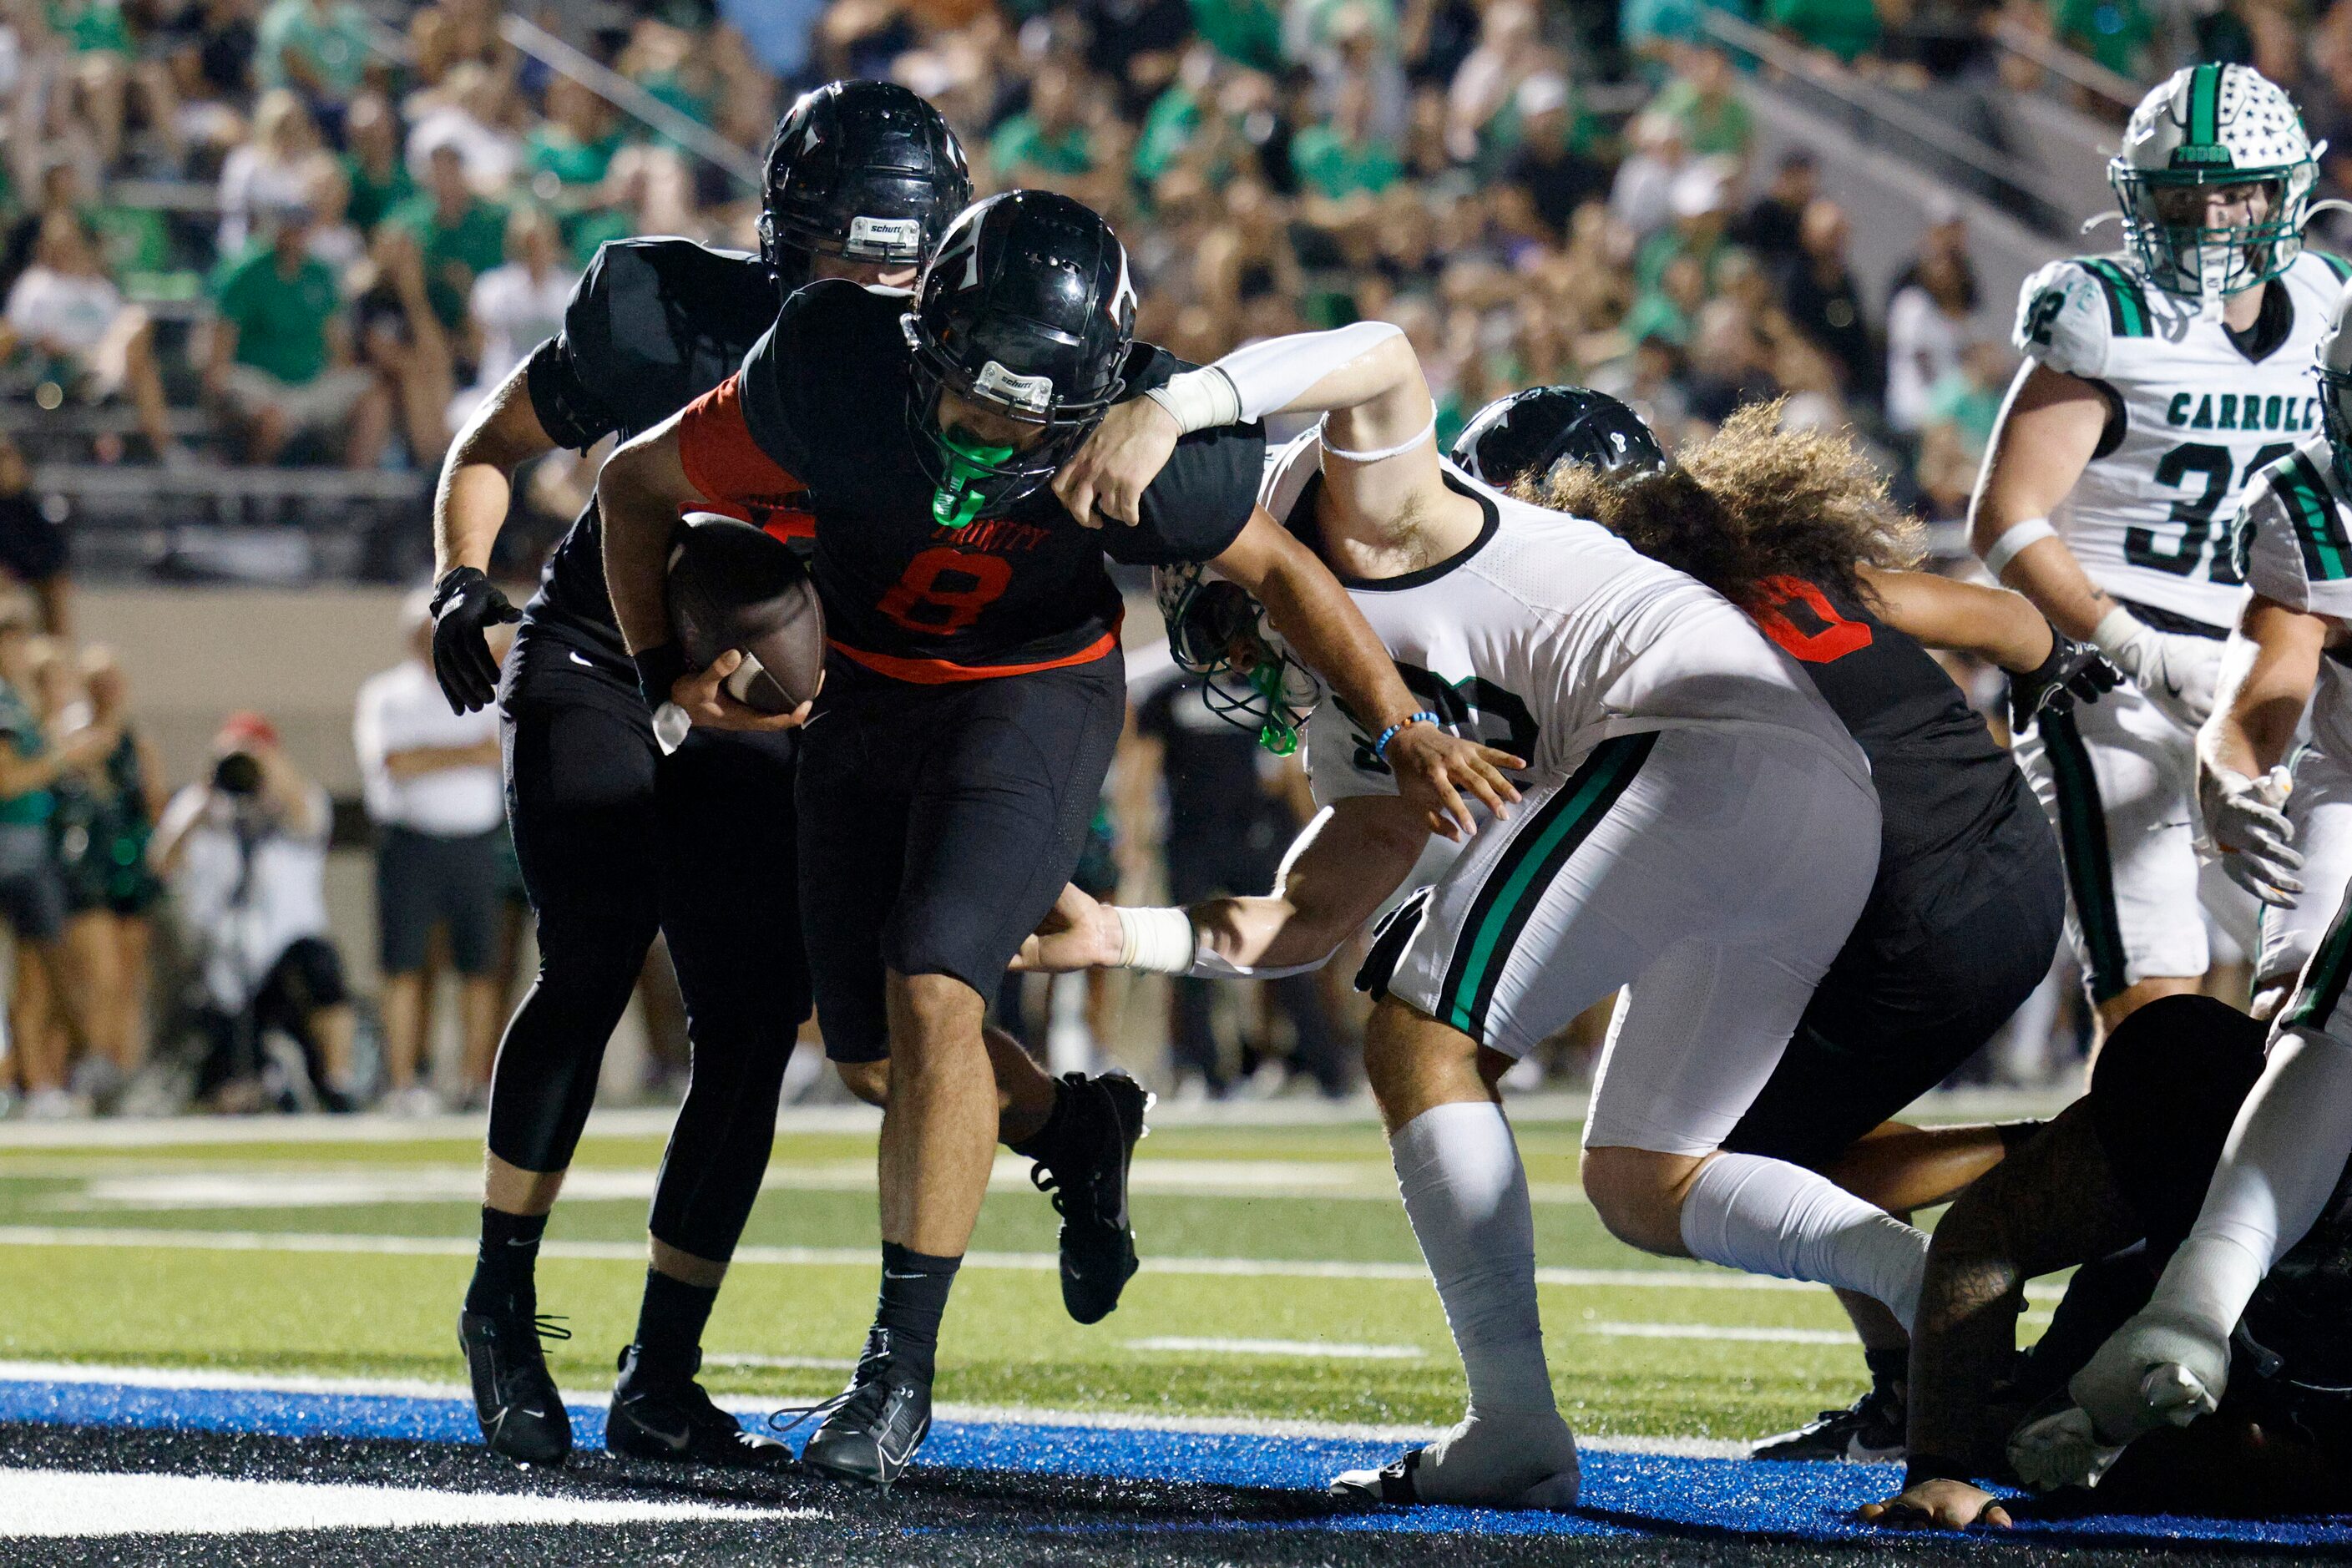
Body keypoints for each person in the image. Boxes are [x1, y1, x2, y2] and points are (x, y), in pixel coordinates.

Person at [597, 194, 1520, 1487]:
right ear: (920, 339)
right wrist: (658, 667)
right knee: (872, 1057)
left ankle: (896, 1373)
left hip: (1027, 698)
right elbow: (630, 488)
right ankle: (1077, 1127)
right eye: (974, 397)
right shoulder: (825, 363)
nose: (998, 432)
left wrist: (1399, 725)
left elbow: (1283, 573)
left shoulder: (1152, 447)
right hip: (863, 695)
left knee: (935, 981)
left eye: (1031, 410)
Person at [1027, 322, 1912, 1511]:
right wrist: (1127, 935)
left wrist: (1183, 404)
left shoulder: (1347, 513)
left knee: (1419, 1033)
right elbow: (1315, 906)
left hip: (1700, 740)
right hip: (1802, 802)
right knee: (1645, 1180)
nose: (1198, 600)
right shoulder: (1341, 692)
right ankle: (1933, 1283)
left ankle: (1512, 1426)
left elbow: (1385, 352)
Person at [430, 83, 1071, 1474]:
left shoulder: (967, 356)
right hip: (608, 650)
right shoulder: (664, 311)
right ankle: (502, 1310)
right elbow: (492, 448)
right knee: (593, 952)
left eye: (903, 259)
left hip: (767, 700)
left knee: (750, 1018)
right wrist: (459, 581)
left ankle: (661, 1373)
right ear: (785, 237)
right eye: (851, 251)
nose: (878, 286)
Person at [1438, 387, 2106, 1465]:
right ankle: (1906, 1379)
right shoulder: (1782, 571)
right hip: (2009, 871)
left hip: (1901, 903)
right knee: (1785, 1143)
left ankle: (2076, 1167)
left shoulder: (1613, 626)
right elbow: (2010, 623)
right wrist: (2042, 712)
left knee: (1695, 1158)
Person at [2000, 280, 2352, 1492]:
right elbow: (2268, 691)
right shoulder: (2313, 497)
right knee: (2294, 1015)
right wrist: (2226, 766)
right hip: (2327, 773)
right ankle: (2196, 1318)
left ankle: (2199, 1320)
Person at [1973, 63, 2350, 1039]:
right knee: (2155, 998)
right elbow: (2007, 518)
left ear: (2285, 193)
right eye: (2185, 195)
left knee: (2301, 970)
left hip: (2274, 654)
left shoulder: (2330, 301)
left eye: (2236, 192)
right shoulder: (2106, 307)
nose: (2214, 218)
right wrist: (2139, 647)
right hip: (2108, 668)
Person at [1859, 997, 2352, 1528]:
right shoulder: (2208, 1091)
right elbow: (1990, 1236)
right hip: (2140, 1331)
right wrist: (1941, 1465)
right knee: (2039, 1446)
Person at [152, 712, 355, 1113]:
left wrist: (267, 772)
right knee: (223, 1085)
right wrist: (207, 794)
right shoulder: (202, 804)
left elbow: (309, 820)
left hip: (285, 958)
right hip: (222, 965)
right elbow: (161, 861)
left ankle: (337, 1079)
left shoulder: (298, 798)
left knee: (321, 967)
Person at [354, 588, 506, 1113]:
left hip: (473, 843)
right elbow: (393, 764)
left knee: (479, 967)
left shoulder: (487, 682)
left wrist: (432, 756)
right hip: (410, 843)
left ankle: (474, 1082)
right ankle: (402, 1083)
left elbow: (498, 753)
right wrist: (467, 754)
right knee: (403, 965)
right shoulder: (386, 694)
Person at [0, 614, 109, 1118]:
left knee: (39, 975)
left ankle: (40, 1082)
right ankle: (30, 1082)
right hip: (10, 845)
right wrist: (62, 757)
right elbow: (8, 780)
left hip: (31, 846)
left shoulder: (23, 706)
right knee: (35, 971)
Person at [205, 200, 388, 467]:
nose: (294, 233)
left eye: (301, 225)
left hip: (309, 383)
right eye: (287, 224)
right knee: (271, 418)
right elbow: (221, 350)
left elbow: (336, 343)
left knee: (374, 398)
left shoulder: (321, 275)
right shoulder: (245, 273)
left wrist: (339, 377)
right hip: (261, 382)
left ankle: (355, 493)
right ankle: (258, 495)